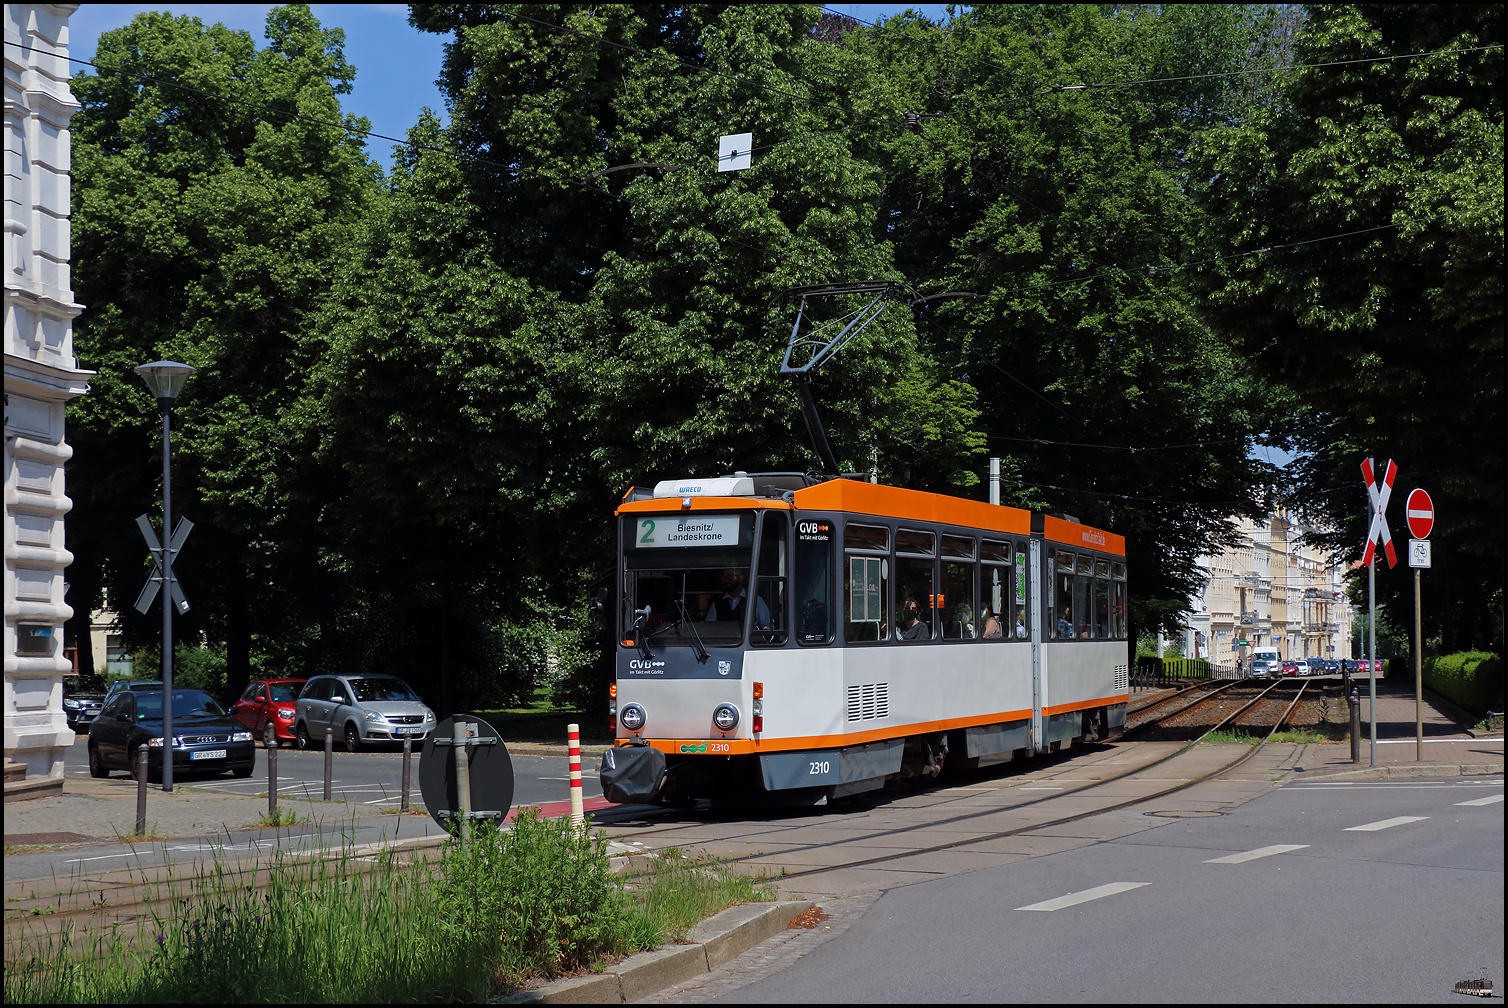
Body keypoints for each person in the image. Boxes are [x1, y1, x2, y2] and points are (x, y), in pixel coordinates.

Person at [704, 568, 771, 628]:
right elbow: (709, 628)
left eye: (730, 577)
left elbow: (766, 626)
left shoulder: (755, 601)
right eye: (724, 578)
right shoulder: (716, 604)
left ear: (741, 578)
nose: (727, 580)